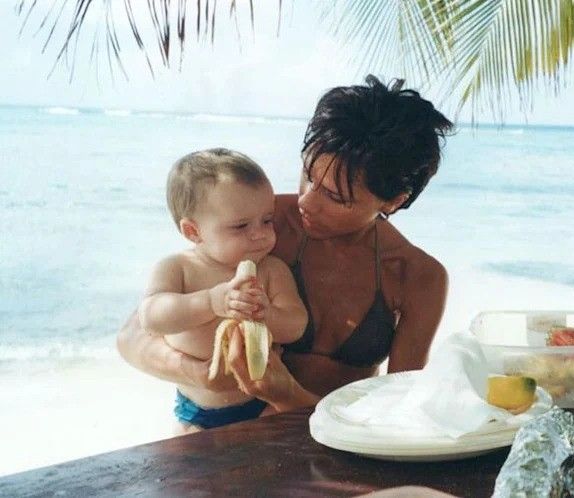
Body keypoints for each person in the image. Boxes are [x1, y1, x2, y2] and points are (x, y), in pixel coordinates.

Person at [117, 75, 453, 417]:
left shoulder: (417, 277)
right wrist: (201, 375)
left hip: (344, 439)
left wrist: (286, 394)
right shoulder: (261, 224)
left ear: (393, 201)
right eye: (307, 173)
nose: (306, 200)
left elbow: (401, 410)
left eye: (334, 196)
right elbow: (132, 336)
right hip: (240, 429)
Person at [138, 148, 307, 434]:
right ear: (193, 232)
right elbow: (152, 317)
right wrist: (210, 302)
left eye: (267, 220)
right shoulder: (178, 268)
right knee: (192, 471)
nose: (260, 234)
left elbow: (296, 326)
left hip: (262, 404)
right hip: (198, 412)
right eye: (241, 226)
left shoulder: (270, 270)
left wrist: (267, 314)